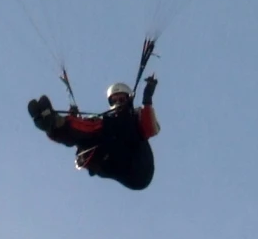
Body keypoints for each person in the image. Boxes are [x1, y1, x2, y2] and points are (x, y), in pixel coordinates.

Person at [28, 77, 159, 190]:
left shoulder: (135, 117)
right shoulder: (106, 123)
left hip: (140, 166)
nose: (118, 102)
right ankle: (53, 124)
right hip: (115, 161)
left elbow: (151, 129)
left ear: (128, 100)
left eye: (121, 99)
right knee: (91, 133)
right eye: (114, 100)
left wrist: (147, 99)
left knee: (108, 125)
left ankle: (58, 124)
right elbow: (87, 129)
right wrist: (74, 121)